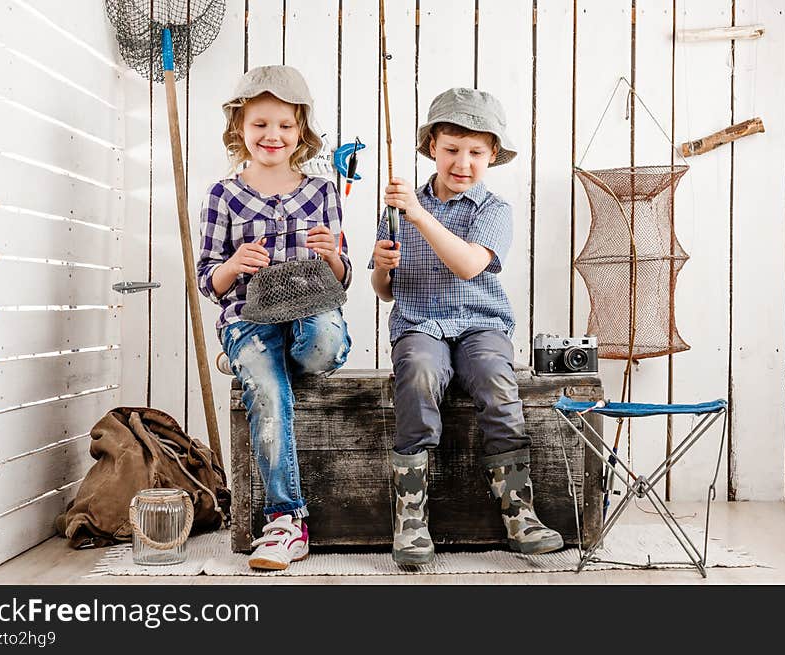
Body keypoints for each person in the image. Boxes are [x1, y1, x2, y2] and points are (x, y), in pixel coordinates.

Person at [369, 87, 563, 564]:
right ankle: (411, 516)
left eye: (476, 152)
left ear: (493, 155)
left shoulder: (494, 210)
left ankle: (519, 510)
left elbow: (470, 266)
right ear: (431, 146)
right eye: (451, 149)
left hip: (481, 325)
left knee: (497, 381)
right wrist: (380, 265)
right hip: (420, 323)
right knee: (415, 371)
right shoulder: (400, 206)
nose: (462, 162)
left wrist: (417, 213)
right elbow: (386, 290)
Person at [197, 65, 352, 570]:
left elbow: (342, 277)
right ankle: (286, 520)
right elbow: (207, 280)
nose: (273, 135)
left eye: (285, 125)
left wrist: (332, 255)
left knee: (325, 342)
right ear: (239, 128)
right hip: (250, 318)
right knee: (266, 390)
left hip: (311, 311)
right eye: (260, 124)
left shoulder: (323, 192)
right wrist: (234, 266)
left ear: (301, 131)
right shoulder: (223, 195)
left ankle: (265, 362)